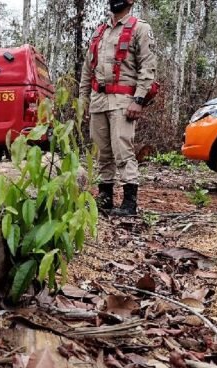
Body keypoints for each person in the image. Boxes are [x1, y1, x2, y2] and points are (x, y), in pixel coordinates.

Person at [79, 0, 157, 216]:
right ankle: (105, 199)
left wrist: (138, 99)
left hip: (123, 100)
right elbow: (87, 69)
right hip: (98, 100)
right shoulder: (100, 32)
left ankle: (129, 203)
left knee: (123, 150)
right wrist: (83, 100)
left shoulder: (140, 28)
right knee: (101, 152)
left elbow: (148, 67)